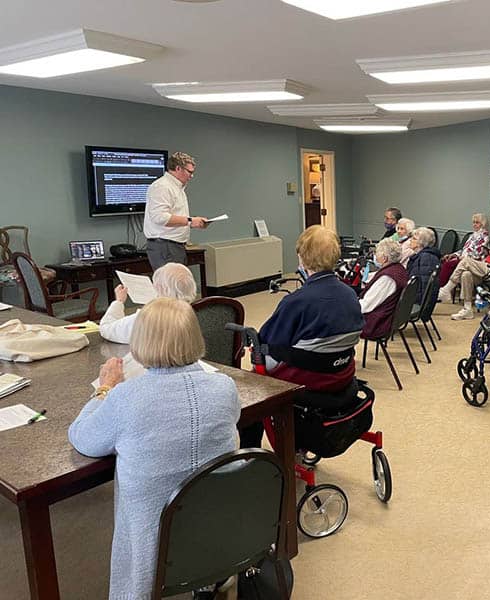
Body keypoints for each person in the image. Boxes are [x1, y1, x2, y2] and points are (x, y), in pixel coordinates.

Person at [68, 298, 240, 598]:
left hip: (153, 540)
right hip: (215, 526)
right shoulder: (225, 387)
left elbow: (82, 438)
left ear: (140, 341)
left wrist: (104, 389)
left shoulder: (127, 397)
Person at [241, 226, 365, 449]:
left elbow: (267, 345)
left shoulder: (296, 302)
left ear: (303, 258)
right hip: (341, 375)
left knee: (249, 391)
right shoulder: (350, 294)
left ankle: (251, 455)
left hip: (305, 381)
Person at [99, 262, 197, 344]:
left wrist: (119, 302)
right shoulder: (199, 311)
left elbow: (106, 329)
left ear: (160, 288)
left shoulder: (148, 317)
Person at [143, 151, 209, 270]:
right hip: (165, 246)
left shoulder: (177, 187)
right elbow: (160, 217)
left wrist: (195, 223)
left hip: (174, 246)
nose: (191, 176)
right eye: (189, 172)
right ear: (178, 168)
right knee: (170, 286)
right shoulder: (162, 187)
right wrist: (190, 221)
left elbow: (176, 216)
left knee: (176, 285)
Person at [360, 239, 409, 339]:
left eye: (376, 252)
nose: (375, 255)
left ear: (384, 258)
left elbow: (366, 306)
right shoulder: (399, 269)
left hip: (376, 324)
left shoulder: (387, 278)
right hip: (388, 318)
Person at [439, 213, 490, 287]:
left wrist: (460, 258)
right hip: (462, 259)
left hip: (472, 262)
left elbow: (477, 254)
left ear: (482, 224)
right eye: (473, 222)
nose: (474, 225)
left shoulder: (485, 236)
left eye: (477, 223)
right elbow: (464, 250)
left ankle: (442, 289)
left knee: (448, 265)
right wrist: (454, 255)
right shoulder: (472, 235)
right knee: (445, 260)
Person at [406, 227, 442, 305]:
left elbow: (423, 288)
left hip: (415, 304)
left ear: (421, 243)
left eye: (414, 238)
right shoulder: (420, 256)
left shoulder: (426, 258)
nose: (410, 240)